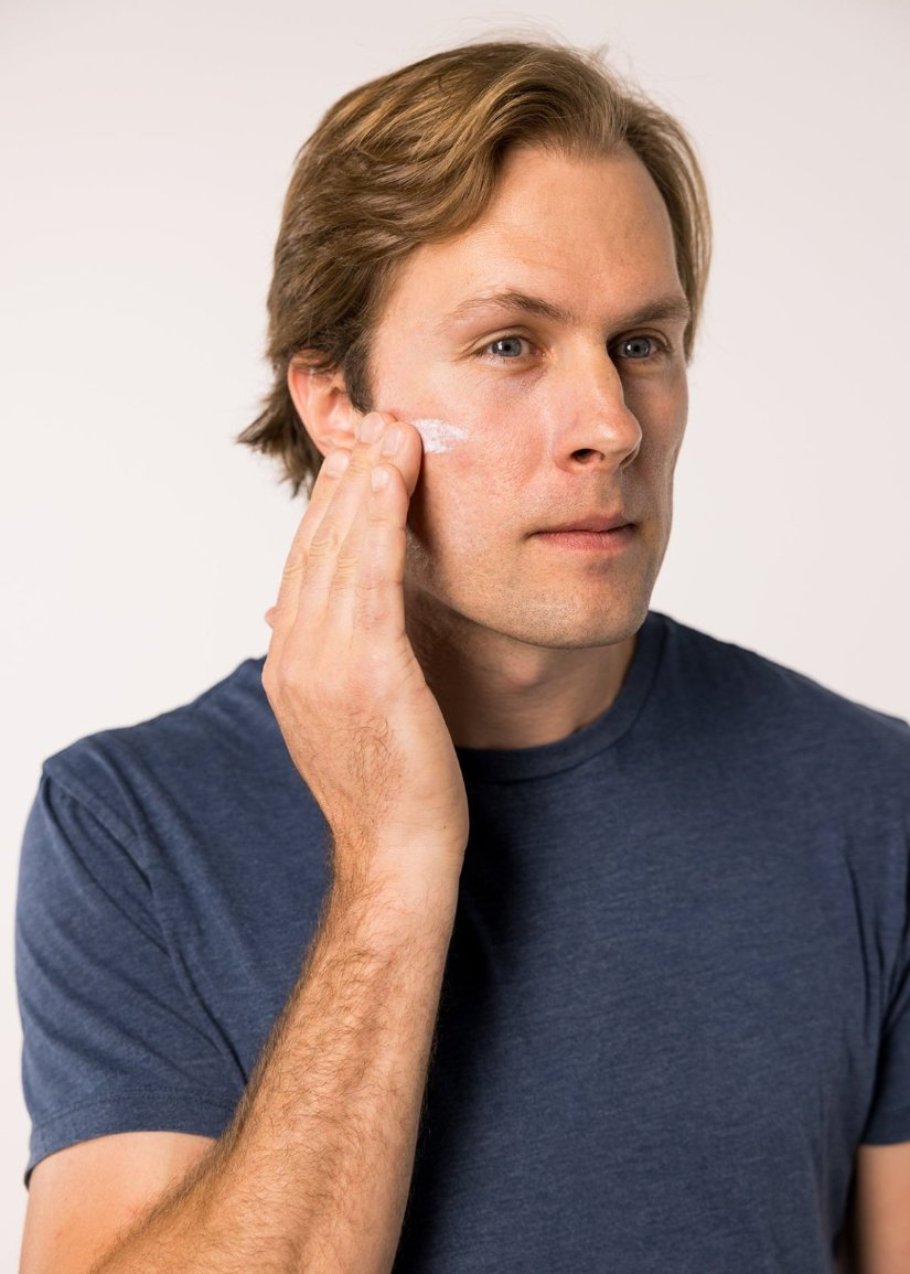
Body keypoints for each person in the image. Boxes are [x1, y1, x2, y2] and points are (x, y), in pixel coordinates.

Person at [14, 34, 910, 1274]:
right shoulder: (132, 823)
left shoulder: (872, 801)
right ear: (336, 401)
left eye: (641, 343)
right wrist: (390, 866)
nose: (608, 425)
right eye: (510, 345)